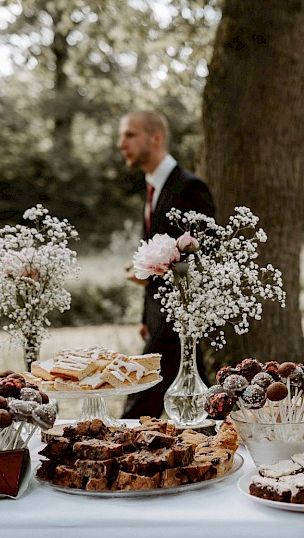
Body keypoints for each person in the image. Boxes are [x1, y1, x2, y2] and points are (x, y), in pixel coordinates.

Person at [117, 110, 216, 419]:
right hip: (162, 320)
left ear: (156, 138)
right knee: (203, 404)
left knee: (139, 402)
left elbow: (207, 254)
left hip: (179, 321)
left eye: (130, 135)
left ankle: (115, 448)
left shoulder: (189, 188)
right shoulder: (152, 189)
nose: (122, 144)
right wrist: (147, 315)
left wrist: (159, 273)